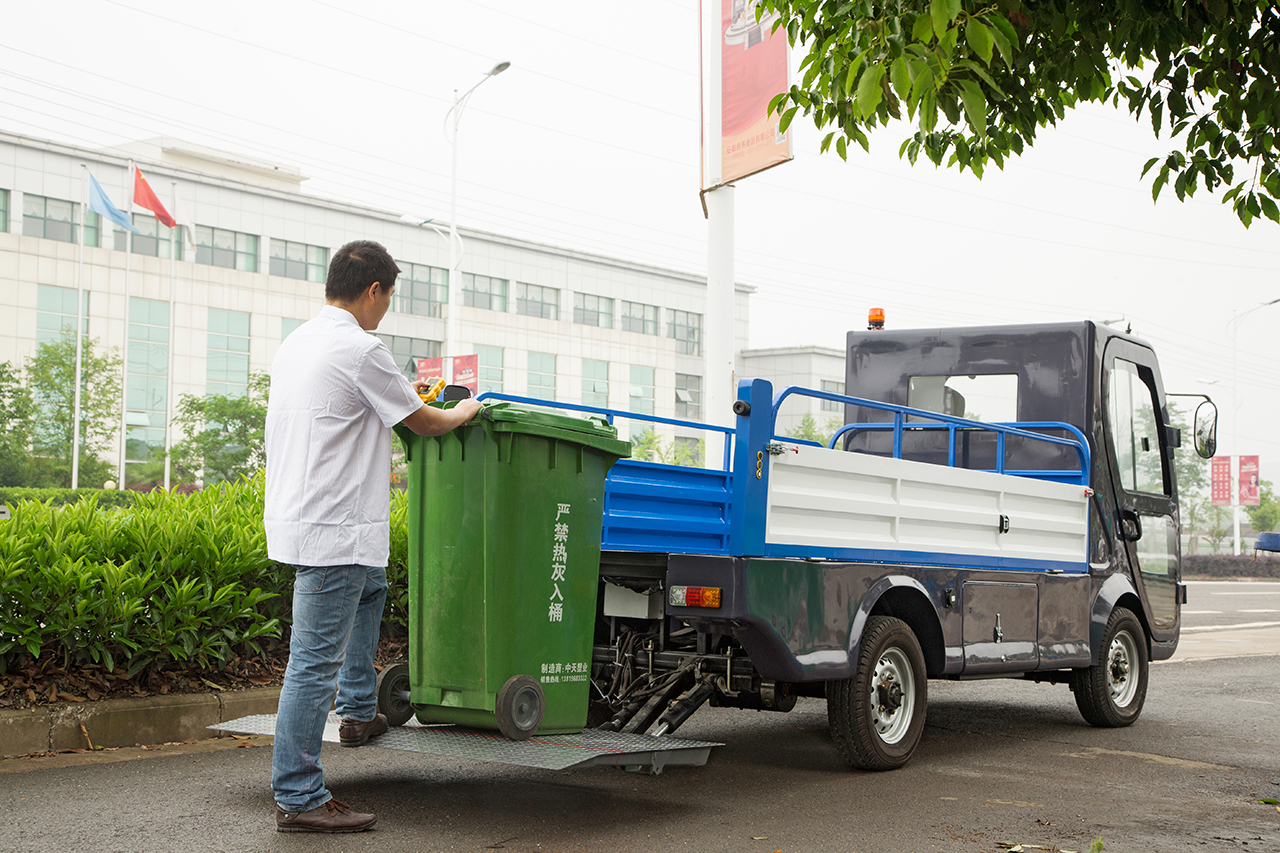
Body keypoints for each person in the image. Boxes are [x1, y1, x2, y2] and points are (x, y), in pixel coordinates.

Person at [263, 239, 482, 833]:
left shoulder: (297, 341)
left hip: (314, 518)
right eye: (389, 298)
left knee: (370, 591)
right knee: (310, 664)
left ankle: (359, 711)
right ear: (373, 291)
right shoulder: (360, 348)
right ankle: (300, 796)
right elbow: (424, 421)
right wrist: (467, 410)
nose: (386, 309)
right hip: (334, 525)